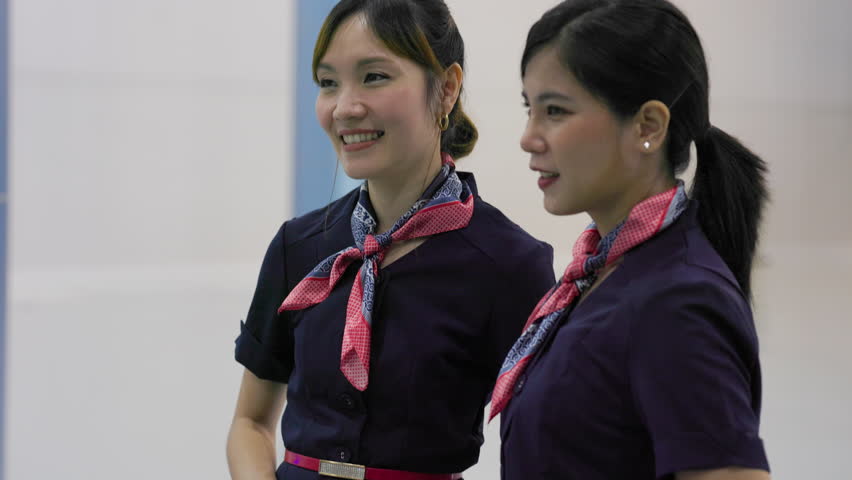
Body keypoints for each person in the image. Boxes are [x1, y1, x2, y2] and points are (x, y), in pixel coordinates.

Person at [226, 1, 555, 479]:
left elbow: (543, 446)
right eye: (328, 83)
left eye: (374, 77)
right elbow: (250, 423)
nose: (345, 107)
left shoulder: (509, 264)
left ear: (446, 88)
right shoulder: (298, 246)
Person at [490, 1, 771, 479]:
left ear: (648, 126)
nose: (528, 137)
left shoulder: (679, 300)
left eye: (555, 111)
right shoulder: (604, 275)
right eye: (529, 108)